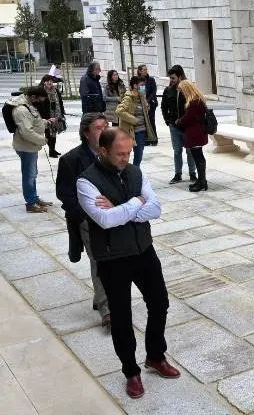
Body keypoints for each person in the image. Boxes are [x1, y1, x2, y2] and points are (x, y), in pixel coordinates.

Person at [77, 128, 179, 399]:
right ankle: (130, 372)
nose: (126, 158)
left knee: (159, 303)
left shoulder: (137, 172)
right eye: (120, 154)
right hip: (112, 258)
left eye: (129, 152)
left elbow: (155, 210)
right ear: (103, 151)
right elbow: (105, 220)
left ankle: (156, 356)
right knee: (121, 317)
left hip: (143, 250)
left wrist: (121, 207)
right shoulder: (86, 181)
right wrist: (136, 202)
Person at [56, 113, 111, 330]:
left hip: (114, 217)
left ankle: (101, 297)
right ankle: (108, 309)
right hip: (89, 221)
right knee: (100, 261)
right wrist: (84, 216)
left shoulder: (112, 154)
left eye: (106, 126)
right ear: (86, 133)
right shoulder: (71, 160)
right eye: (99, 128)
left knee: (115, 260)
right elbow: (65, 194)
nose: (104, 130)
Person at [6, 86, 56, 213]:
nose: (40, 103)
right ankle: (31, 203)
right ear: (33, 97)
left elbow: (33, 121)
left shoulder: (28, 104)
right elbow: (26, 132)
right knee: (29, 175)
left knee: (32, 174)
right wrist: (42, 140)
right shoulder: (21, 109)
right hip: (26, 147)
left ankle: (34, 198)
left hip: (30, 146)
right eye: (39, 100)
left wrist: (45, 122)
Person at [161, 65, 196, 184]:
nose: (171, 80)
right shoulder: (168, 90)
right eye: (170, 78)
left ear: (180, 77)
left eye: (173, 78)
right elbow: (163, 107)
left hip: (187, 126)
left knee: (190, 150)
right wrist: (167, 120)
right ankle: (178, 173)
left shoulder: (187, 90)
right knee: (177, 151)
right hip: (174, 126)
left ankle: (192, 173)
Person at [174, 80, 208, 192]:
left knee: (198, 158)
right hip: (197, 133)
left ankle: (202, 181)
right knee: (199, 157)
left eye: (182, 90)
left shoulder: (194, 102)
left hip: (195, 134)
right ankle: (201, 180)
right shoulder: (198, 99)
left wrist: (179, 121)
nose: (181, 93)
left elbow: (188, 118)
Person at [116, 76, 157, 166]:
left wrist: (146, 106)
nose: (143, 87)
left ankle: (134, 171)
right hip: (134, 131)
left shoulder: (141, 96)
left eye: (144, 85)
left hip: (142, 130)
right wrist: (134, 120)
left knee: (139, 154)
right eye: (141, 85)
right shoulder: (129, 98)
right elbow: (119, 111)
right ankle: (133, 172)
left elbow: (144, 110)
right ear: (135, 86)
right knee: (138, 154)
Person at [38, 74, 66, 158]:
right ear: (44, 82)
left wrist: (62, 111)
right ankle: (51, 150)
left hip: (56, 114)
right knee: (48, 133)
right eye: (47, 81)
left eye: (51, 81)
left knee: (54, 132)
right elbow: (39, 104)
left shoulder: (55, 90)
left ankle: (53, 149)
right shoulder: (41, 91)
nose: (50, 82)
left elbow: (60, 102)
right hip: (46, 115)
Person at [137, 65, 158, 146]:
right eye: (144, 70)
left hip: (151, 103)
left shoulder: (151, 79)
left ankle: (154, 139)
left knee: (151, 121)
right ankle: (146, 139)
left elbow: (154, 91)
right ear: (139, 71)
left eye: (146, 69)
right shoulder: (137, 80)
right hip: (141, 104)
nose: (146, 71)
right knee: (144, 121)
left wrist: (147, 101)